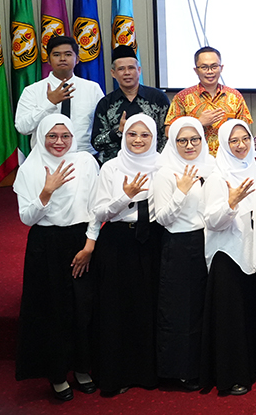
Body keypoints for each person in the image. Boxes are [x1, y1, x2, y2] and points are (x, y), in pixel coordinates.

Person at [14, 115, 100, 401]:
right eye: (52, 136)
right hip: (46, 244)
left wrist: (89, 245)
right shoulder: (30, 169)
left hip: (81, 242)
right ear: (41, 137)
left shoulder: (85, 162)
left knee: (83, 307)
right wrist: (46, 192)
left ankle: (83, 367)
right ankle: (57, 373)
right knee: (53, 311)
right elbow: (27, 217)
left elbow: (96, 207)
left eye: (65, 136)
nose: (59, 142)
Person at [201, 119, 256, 396]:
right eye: (234, 141)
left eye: (245, 139)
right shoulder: (218, 177)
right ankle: (231, 375)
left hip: (251, 252)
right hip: (227, 255)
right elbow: (211, 220)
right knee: (231, 318)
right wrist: (231, 202)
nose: (241, 145)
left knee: (252, 310)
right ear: (224, 144)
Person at [91, 114, 162, 395]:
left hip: (153, 241)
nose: (138, 140)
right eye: (132, 134)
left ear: (154, 137)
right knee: (118, 309)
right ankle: (118, 374)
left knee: (150, 306)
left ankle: (149, 373)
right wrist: (125, 196)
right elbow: (99, 212)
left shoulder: (163, 166)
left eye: (145, 135)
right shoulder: (111, 167)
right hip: (118, 243)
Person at [153, 117, 214, 391]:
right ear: (173, 142)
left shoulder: (211, 166)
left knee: (203, 307)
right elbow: (162, 218)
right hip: (179, 244)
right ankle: (179, 371)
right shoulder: (166, 172)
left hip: (208, 242)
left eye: (195, 139)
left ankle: (203, 366)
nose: (190, 146)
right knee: (180, 310)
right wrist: (181, 192)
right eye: (182, 140)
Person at [15, 35, 104, 155]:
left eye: (68, 54)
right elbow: (22, 128)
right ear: (48, 60)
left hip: (83, 157)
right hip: (45, 158)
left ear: (77, 59)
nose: (62, 58)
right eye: (56, 55)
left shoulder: (92, 89)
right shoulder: (33, 91)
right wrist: (49, 103)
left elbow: (103, 125)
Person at [165, 46, 252, 155]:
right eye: (204, 67)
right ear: (196, 70)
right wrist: (198, 123)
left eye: (214, 66)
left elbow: (244, 131)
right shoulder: (182, 97)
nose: (210, 71)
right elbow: (168, 132)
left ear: (221, 68)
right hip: (194, 158)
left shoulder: (235, 96)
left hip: (229, 159)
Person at [92, 45, 170, 163]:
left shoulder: (158, 98)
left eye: (131, 68)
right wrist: (118, 131)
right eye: (121, 69)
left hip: (153, 165)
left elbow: (166, 136)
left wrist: (156, 161)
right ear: (113, 73)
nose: (127, 73)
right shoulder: (106, 103)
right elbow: (96, 143)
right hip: (117, 166)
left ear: (139, 70)